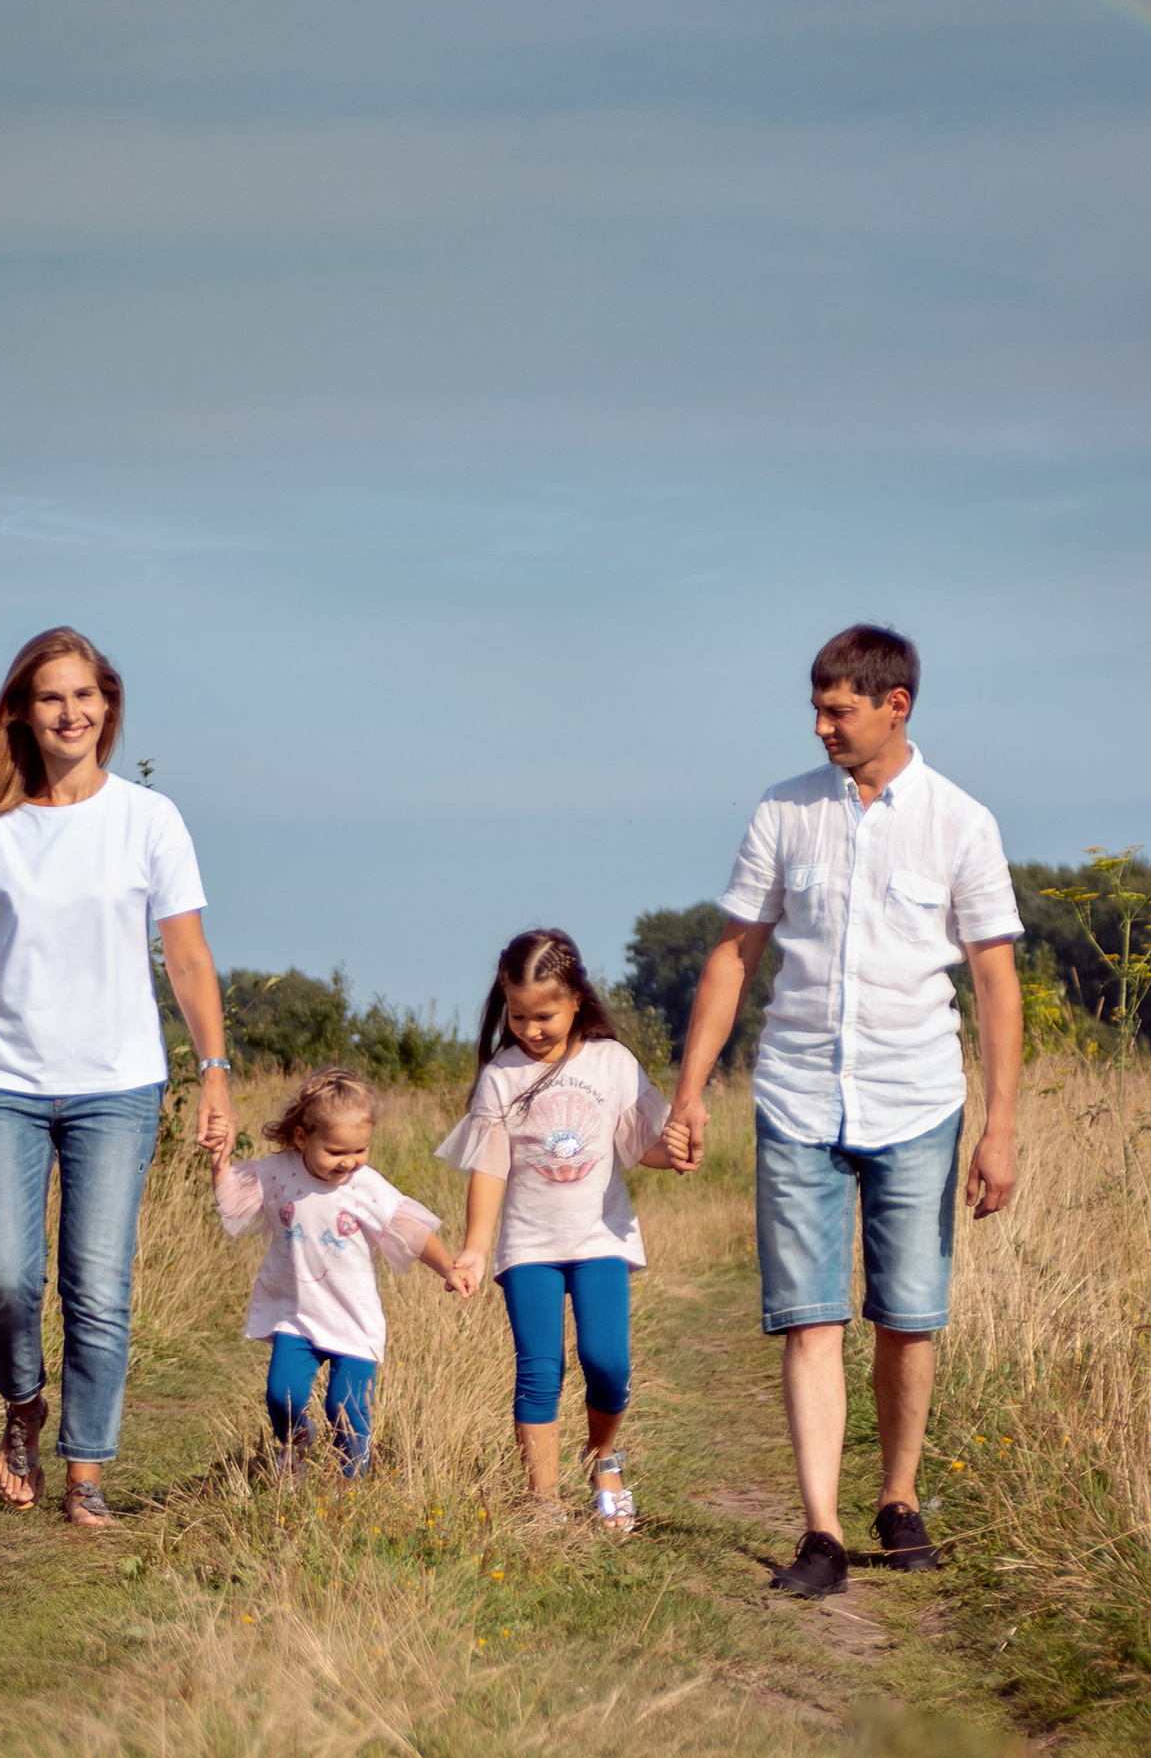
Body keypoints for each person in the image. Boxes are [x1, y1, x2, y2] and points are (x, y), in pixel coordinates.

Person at [664, 623, 1022, 1600]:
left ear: (895, 706)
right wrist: (691, 1091)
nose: (820, 726)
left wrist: (1000, 1127)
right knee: (809, 1317)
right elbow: (734, 954)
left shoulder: (961, 821)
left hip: (918, 1099)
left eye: (838, 709)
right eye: (816, 709)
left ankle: (897, 1498)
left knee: (908, 1317)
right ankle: (819, 1531)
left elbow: (995, 981)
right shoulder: (784, 812)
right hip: (797, 1094)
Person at [0, 626, 234, 1530]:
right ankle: (23, 1402)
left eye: (85, 695)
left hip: (118, 1085)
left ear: (108, 704)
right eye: (52, 697)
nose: (71, 713)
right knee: (4, 1273)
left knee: (97, 1286)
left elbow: (187, 957)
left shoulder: (150, 819)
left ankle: (86, 1474)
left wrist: (213, 1072)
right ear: (21, 711)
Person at [441, 928, 675, 1535]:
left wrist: (672, 1153)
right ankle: (543, 1502)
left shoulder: (611, 1062)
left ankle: (604, 1458)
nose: (531, 1029)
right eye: (518, 1016)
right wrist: (474, 1248)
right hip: (529, 1248)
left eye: (544, 1015)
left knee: (607, 1362)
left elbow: (638, 1145)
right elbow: (490, 1168)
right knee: (539, 1370)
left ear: (576, 999)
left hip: (601, 1240)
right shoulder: (501, 1076)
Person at [215, 1067, 462, 1479]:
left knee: (346, 1407)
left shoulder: (366, 1186)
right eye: (335, 1151)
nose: (349, 1162)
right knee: (283, 1397)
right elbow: (233, 1200)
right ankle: (297, 1442)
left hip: (353, 1318)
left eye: (360, 1149)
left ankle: (349, 1485)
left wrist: (449, 1267)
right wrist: (218, 1160)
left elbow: (410, 1231)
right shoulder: (277, 1172)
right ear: (301, 1138)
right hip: (296, 1313)